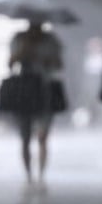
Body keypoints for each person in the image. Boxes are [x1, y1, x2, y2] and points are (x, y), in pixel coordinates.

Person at [8, 20, 63, 186]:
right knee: (25, 137)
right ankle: (28, 175)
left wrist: (47, 59)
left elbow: (59, 65)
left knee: (43, 136)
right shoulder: (19, 38)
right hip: (24, 91)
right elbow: (10, 63)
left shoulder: (51, 40)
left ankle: (41, 174)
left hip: (45, 90)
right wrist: (24, 50)